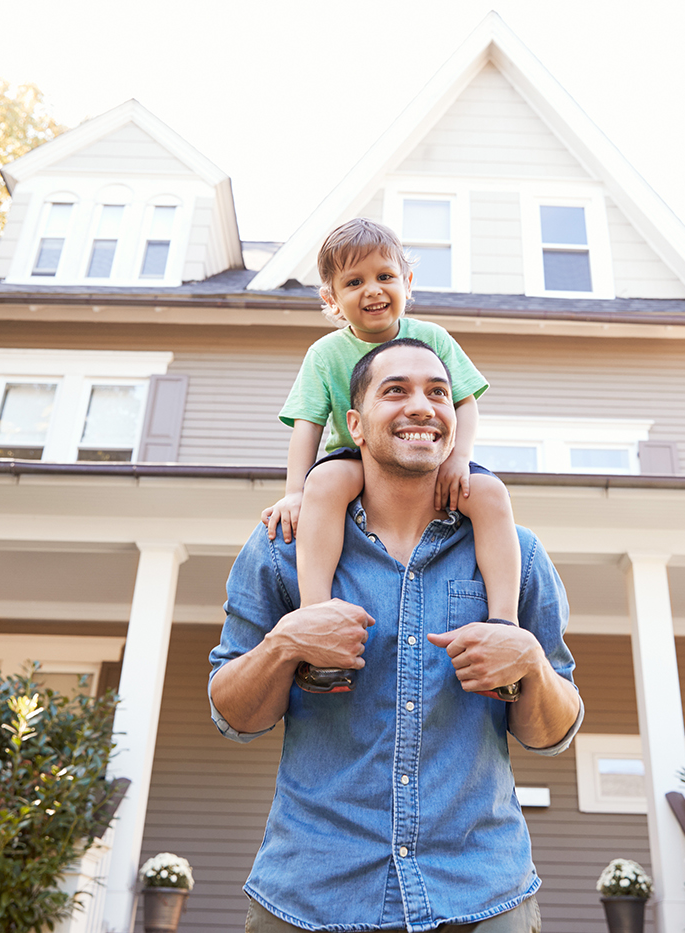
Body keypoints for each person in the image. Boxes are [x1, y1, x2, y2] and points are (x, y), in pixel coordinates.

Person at [211, 338, 584, 933]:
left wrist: (531, 664)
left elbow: (555, 733)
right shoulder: (283, 549)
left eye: (438, 393)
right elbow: (234, 715)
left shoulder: (515, 554)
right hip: (311, 895)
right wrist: (287, 643)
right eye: (396, 391)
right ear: (354, 425)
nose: (422, 406)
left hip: (480, 893)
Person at [262, 219, 522, 653]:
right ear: (332, 299)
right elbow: (307, 424)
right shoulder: (326, 354)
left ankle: (505, 621)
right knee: (324, 484)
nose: (373, 290)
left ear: (408, 282)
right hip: (356, 455)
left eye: (385, 276)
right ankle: (315, 612)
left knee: (491, 493)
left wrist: (459, 458)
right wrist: (293, 492)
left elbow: (464, 402)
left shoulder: (432, 337)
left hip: (430, 452)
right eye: (354, 281)